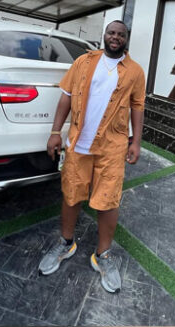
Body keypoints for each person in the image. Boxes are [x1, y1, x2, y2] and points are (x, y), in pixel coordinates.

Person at [38, 20, 145, 293]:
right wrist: (55, 132)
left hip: (113, 147)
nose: (115, 37)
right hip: (78, 144)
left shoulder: (135, 71)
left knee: (108, 201)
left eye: (121, 34)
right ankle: (65, 243)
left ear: (126, 39)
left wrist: (136, 141)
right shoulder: (83, 62)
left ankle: (103, 255)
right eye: (111, 32)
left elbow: (137, 107)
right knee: (71, 194)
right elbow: (65, 97)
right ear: (104, 35)